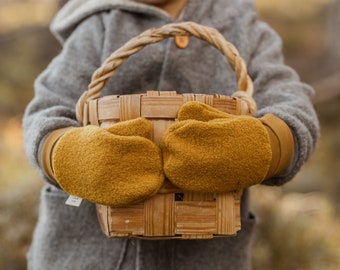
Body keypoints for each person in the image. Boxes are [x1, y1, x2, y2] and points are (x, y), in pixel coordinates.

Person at [23, 0, 319, 269]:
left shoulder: (244, 29)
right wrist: (71, 155)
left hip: (205, 260)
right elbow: (46, 110)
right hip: (85, 258)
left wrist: (263, 145)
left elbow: (293, 107)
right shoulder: (97, 25)